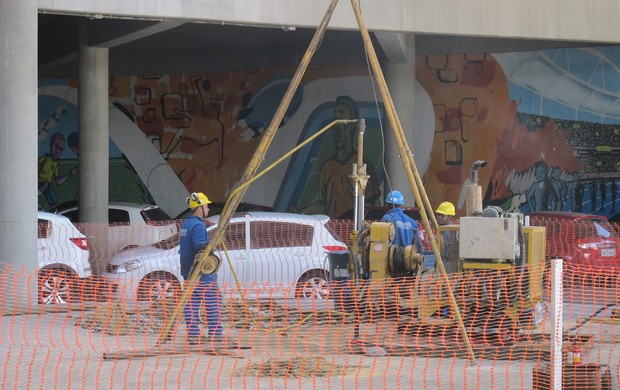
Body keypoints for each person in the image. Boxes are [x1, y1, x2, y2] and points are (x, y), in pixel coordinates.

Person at [180, 192, 228, 346]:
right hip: (202, 274)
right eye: (206, 206)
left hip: (189, 273)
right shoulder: (198, 226)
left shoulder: (186, 224)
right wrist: (214, 242)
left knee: (191, 303)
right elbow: (200, 247)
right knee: (213, 301)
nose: (208, 209)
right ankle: (216, 334)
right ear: (199, 208)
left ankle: (193, 335)